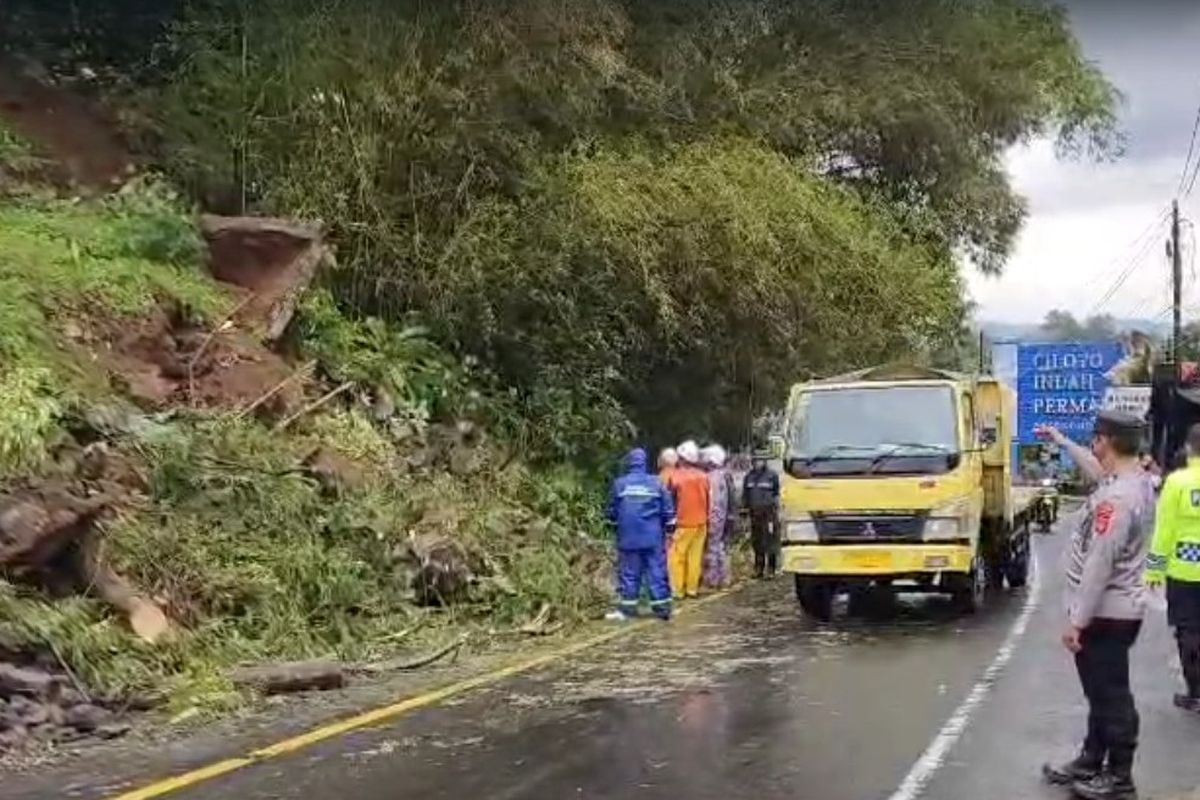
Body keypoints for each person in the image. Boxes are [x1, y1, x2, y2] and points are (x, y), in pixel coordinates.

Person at [1042, 411, 1153, 800]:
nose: (1093, 444)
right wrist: (1062, 440)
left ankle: (1120, 778)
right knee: (1100, 693)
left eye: (1095, 437)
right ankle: (1092, 759)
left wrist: (1077, 619)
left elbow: (1099, 563)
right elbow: (1095, 470)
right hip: (1110, 610)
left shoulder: (1119, 498)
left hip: (1106, 612)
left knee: (1111, 695)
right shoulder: (1126, 479)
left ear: (1104, 440)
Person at [1145, 423, 1200, 713]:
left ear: (1189, 448)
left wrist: (1154, 571)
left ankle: (1196, 692)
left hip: (1185, 569)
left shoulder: (1177, 482)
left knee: (1188, 631)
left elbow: (1163, 532)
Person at [605, 447, 676, 621]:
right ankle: (662, 609)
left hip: (628, 538)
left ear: (630, 462)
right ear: (645, 463)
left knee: (629, 573)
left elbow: (611, 513)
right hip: (653, 538)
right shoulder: (657, 482)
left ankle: (628, 610)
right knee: (656, 570)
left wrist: (617, 527)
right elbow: (668, 511)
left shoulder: (619, 484)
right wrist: (669, 529)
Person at [667, 440, 709, 600]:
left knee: (677, 556)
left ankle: (678, 590)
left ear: (682, 458)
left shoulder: (676, 477)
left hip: (684, 522)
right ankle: (692, 589)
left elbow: (671, 501)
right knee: (695, 556)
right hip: (701, 522)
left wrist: (669, 522)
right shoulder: (703, 476)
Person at [743, 450, 781, 578]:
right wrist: (744, 510)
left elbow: (776, 493)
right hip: (755, 514)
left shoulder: (772, 476)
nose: (757, 463)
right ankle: (759, 567)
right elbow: (746, 496)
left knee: (770, 541)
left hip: (769, 514)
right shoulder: (748, 477)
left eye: (760, 460)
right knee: (757, 541)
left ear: (765, 461)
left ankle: (771, 569)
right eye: (755, 460)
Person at [701, 444, 735, 590]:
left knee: (713, 548)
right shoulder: (723, 476)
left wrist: (709, 519)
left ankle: (713, 579)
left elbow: (713, 502)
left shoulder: (712, 478)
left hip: (715, 517)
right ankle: (725, 577)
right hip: (723, 516)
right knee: (721, 547)